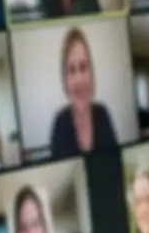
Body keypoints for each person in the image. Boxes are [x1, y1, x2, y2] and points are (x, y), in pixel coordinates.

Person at [48, 27, 121, 158]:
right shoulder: (59, 123)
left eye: (83, 67)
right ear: (65, 80)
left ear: (91, 73)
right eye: (71, 70)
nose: (79, 79)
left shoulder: (103, 114)